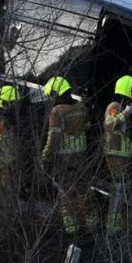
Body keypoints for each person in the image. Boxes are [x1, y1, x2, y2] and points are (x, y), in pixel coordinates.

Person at [40, 76, 91, 234]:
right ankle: (92, 226)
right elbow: (88, 126)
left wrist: (45, 156)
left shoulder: (57, 112)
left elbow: (53, 137)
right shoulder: (82, 107)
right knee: (84, 193)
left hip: (64, 160)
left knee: (65, 196)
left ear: (56, 93)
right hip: (81, 156)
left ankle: (72, 231)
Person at [102, 75, 132, 233]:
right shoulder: (115, 105)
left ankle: (124, 225)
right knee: (118, 189)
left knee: (124, 189)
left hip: (122, 156)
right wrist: (125, 113)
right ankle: (113, 228)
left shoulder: (122, 107)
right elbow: (109, 125)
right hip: (115, 155)